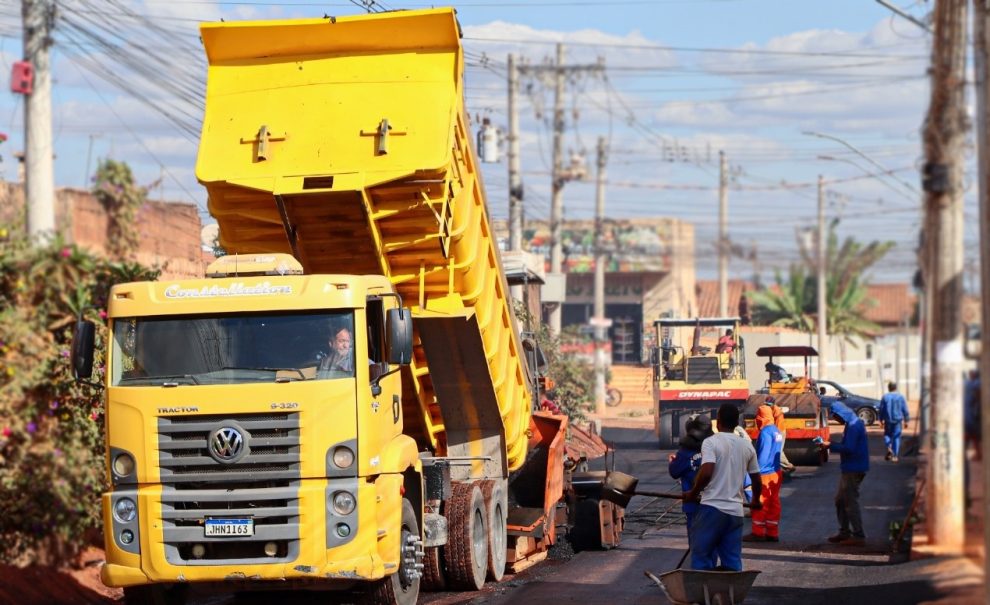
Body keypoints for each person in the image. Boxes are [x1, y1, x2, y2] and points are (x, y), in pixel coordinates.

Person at [683, 404, 762, 571]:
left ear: (718, 422)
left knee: (702, 555)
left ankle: (703, 593)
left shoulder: (711, 442)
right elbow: (756, 479)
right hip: (735, 512)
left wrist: (693, 493)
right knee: (732, 559)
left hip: (712, 508)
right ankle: (730, 594)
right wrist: (755, 500)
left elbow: (706, 473)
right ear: (736, 423)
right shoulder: (747, 446)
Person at [820, 401, 869, 546]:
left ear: (841, 414)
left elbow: (849, 448)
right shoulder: (852, 423)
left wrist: (830, 445)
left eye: (836, 417)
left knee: (849, 501)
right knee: (840, 500)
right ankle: (844, 531)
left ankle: (858, 535)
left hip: (854, 468)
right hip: (851, 467)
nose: (836, 420)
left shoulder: (854, 426)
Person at [743, 405, 784, 542]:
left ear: (761, 417)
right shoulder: (776, 431)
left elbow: (763, 455)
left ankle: (758, 532)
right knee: (773, 502)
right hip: (776, 471)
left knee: (761, 501)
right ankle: (772, 532)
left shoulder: (765, 432)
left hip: (765, 474)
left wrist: (754, 471)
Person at [668, 415, 714, 533]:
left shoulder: (685, 452)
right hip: (715, 504)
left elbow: (674, 472)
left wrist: (673, 462)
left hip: (693, 505)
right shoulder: (717, 449)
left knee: (696, 542)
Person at [879, 382, 910, 462]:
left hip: (888, 420)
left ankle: (889, 446)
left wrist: (880, 419)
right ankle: (895, 456)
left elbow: (881, 409)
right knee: (896, 436)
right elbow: (904, 409)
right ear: (896, 388)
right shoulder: (900, 397)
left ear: (889, 388)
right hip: (897, 420)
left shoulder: (885, 397)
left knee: (887, 434)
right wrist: (906, 420)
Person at [964, 370, 981, 462]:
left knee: (972, 434)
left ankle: (978, 454)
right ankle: (977, 453)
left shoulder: (976, 383)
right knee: (969, 434)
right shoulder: (970, 383)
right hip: (969, 412)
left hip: (972, 413)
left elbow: (978, 395)